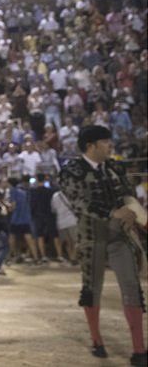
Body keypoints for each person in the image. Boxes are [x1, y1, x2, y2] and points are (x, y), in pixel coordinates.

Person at [59, 125, 145, 364]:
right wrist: (114, 212)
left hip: (120, 236)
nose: (110, 146)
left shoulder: (116, 168)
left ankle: (139, 349)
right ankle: (97, 341)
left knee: (131, 287)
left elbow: (128, 196)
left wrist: (133, 213)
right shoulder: (72, 170)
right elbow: (79, 202)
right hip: (91, 237)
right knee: (91, 289)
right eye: (105, 142)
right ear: (91, 146)